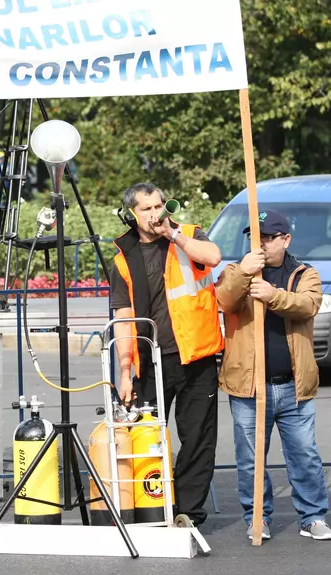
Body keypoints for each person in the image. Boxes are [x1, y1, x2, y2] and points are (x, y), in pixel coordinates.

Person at [215, 209, 331, 541]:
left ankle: (313, 517)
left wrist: (272, 295)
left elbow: (308, 305)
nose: (262, 243)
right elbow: (224, 300)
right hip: (249, 387)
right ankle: (257, 517)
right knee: (250, 459)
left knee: (305, 455)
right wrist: (244, 273)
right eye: (256, 237)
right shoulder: (236, 271)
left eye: (269, 237)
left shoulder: (304, 273)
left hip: (294, 387)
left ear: (286, 239)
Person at [110, 182, 223, 528]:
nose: (155, 213)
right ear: (131, 215)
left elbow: (213, 257)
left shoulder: (187, 234)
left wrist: (173, 234)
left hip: (196, 356)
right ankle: (152, 507)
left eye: (158, 205)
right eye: (146, 209)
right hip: (151, 360)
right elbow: (123, 317)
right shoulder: (123, 258)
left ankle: (187, 513)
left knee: (198, 439)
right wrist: (125, 371)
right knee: (145, 436)